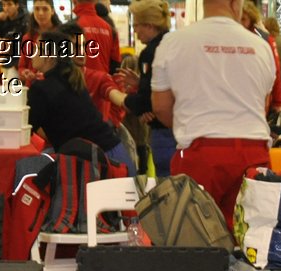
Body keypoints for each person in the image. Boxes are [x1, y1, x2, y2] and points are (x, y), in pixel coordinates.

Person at [152, 0, 276, 227]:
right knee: (253, 241)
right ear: (235, 3)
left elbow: (160, 107)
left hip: (200, 152)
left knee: (195, 240)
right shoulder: (261, 47)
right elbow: (263, 105)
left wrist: (189, 123)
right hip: (253, 151)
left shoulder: (173, 43)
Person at [26, 31, 132, 170]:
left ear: (49, 57)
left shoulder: (42, 89)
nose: (32, 54)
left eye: (36, 49)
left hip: (101, 162)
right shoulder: (72, 81)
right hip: (116, 154)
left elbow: (25, 128)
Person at [119, 0, 174, 178]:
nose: (134, 31)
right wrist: (141, 84)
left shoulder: (150, 52)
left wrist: (122, 98)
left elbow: (145, 102)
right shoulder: (174, 44)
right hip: (182, 129)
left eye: (136, 25)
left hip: (164, 131)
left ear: (149, 25)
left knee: (168, 189)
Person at [72, 0, 121, 76]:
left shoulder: (72, 27)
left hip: (78, 82)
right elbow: (116, 64)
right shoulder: (110, 29)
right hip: (104, 83)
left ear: (74, 1)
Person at [0, 0, 30, 66]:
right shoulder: (2, 20)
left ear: (17, 5)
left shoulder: (25, 21)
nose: (6, 8)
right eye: (4, 5)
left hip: (19, 62)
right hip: (3, 61)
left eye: (9, 4)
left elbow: (26, 45)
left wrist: (8, 46)